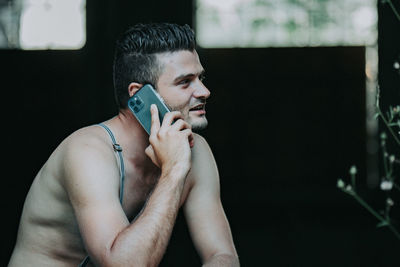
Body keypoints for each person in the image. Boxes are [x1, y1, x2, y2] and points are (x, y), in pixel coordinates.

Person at [8, 22, 239, 266]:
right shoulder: (88, 151)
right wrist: (173, 171)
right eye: (185, 82)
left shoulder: (196, 151)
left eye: (200, 78)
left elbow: (222, 255)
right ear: (139, 95)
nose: (204, 91)